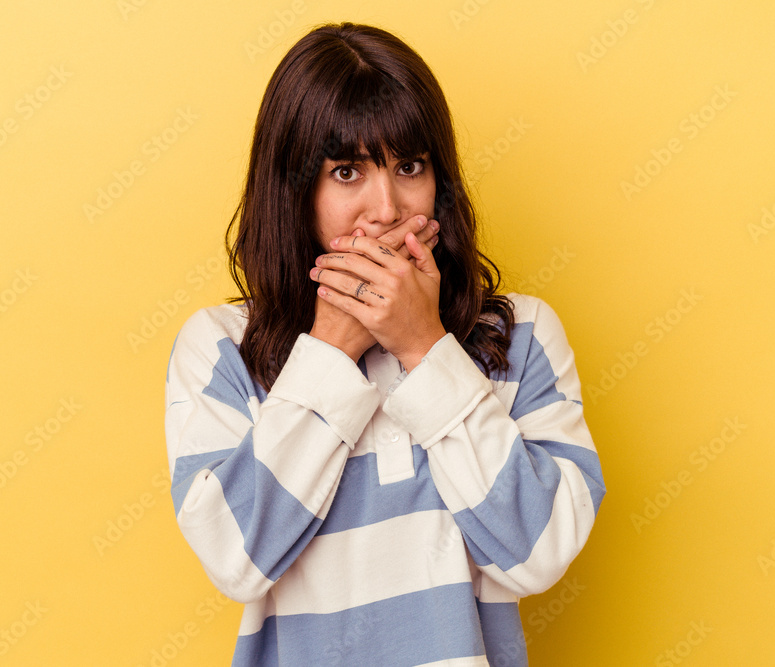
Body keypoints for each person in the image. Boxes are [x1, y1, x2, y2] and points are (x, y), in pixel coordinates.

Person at [165, 22, 604, 666]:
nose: (387, 207)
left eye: (409, 166)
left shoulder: (520, 338)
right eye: (346, 172)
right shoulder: (221, 351)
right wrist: (331, 353)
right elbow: (237, 560)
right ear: (294, 191)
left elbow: (539, 554)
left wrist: (426, 349)